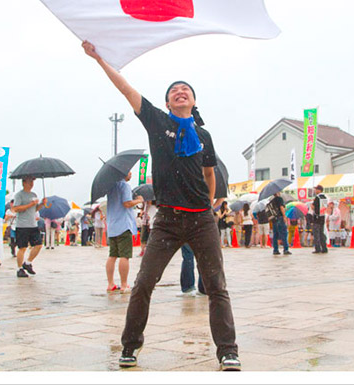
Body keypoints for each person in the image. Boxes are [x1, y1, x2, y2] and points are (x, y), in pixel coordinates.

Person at [83, 40, 241, 371]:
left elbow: (209, 172)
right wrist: (99, 58)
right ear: (168, 102)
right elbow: (126, 90)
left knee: (217, 286)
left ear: (194, 101)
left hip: (201, 220)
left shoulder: (203, 135)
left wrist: (211, 206)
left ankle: (227, 350)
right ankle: (130, 346)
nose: (180, 92)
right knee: (143, 284)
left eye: (186, 90)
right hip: (167, 220)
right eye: (174, 91)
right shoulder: (157, 122)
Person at [105, 171, 143, 294]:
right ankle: (124, 284)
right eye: (129, 172)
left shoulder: (110, 186)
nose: (131, 174)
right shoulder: (124, 186)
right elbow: (126, 203)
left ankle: (110, 283)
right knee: (124, 256)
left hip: (112, 225)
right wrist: (138, 201)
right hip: (123, 225)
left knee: (112, 255)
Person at [12, 177, 48, 278]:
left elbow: (34, 209)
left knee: (39, 245)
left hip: (33, 224)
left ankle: (27, 263)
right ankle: (19, 269)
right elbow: (16, 208)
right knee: (22, 248)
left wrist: (41, 204)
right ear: (24, 183)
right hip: (22, 225)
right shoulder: (19, 195)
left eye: (32, 181)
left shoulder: (34, 195)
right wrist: (30, 204)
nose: (31, 183)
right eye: (29, 181)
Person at [312, 185, 328, 254]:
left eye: (316, 189)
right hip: (322, 217)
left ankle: (317, 248)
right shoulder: (324, 197)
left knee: (316, 234)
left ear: (319, 190)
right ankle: (324, 248)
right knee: (321, 233)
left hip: (317, 218)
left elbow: (313, 207)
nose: (315, 191)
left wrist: (313, 204)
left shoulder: (317, 197)